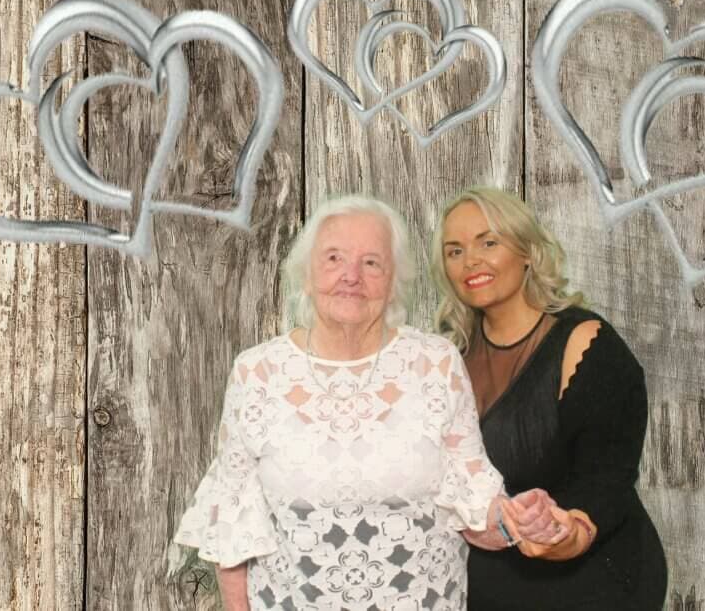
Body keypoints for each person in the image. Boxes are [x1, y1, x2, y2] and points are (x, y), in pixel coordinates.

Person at [172, 194, 555, 610]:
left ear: (394, 281)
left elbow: (475, 506)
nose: (351, 276)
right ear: (306, 274)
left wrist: (517, 519)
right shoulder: (258, 372)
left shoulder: (435, 363)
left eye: (371, 263)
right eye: (334, 258)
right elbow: (233, 525)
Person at [430, 187, 668, 610]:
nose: (471, 261)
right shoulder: (445, 359)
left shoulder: (583, 341)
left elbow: (608, 474)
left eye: (489, 242)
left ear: (526, 252)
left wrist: (569, 531)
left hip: (591, 577)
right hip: (489, 585)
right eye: (455, 250)